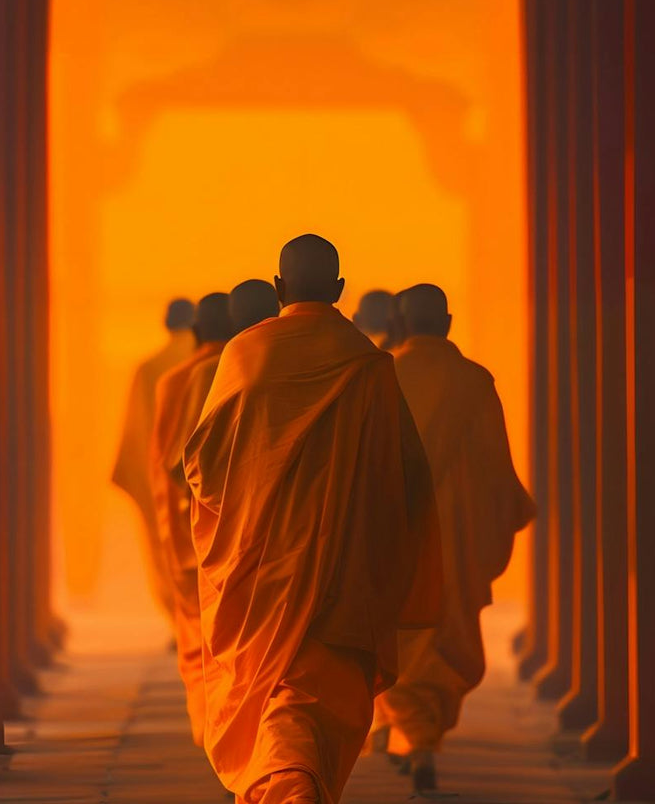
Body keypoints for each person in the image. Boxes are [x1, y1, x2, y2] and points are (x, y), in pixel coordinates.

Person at [184, 235, 443, 804]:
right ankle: (297, 787)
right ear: (340, 290)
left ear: (278, 289)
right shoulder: (370, 369)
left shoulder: (244, 358)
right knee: (311, 694)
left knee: (281, 689)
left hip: (260, 568)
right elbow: (408, 480)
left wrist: (247, 509)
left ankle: (290, 787)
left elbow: (201, 468)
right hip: (345, 573)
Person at [374, 284, 536, 791]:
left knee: (395, 636)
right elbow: (494, 468)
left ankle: (410, 733)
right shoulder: (473, 381)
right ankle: (421, 739)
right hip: (458, 540)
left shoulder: (382, 379)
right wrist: (506, 511)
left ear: (401, 322)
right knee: (444, 636)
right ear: (446, 321)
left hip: (396, 540)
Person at [150, 292, 233, 746]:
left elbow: (167, 465)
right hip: (256, 539)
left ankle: (215, 732)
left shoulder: (173, 379)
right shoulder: (254, 370)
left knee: (205, 643)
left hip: (192, 532)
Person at [112, 298, 194, 619]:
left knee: (167, 554)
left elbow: (136, 433)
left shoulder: (149, 369)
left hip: (160, 478)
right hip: (209, 478)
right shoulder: (220, 362)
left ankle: (180, 623)